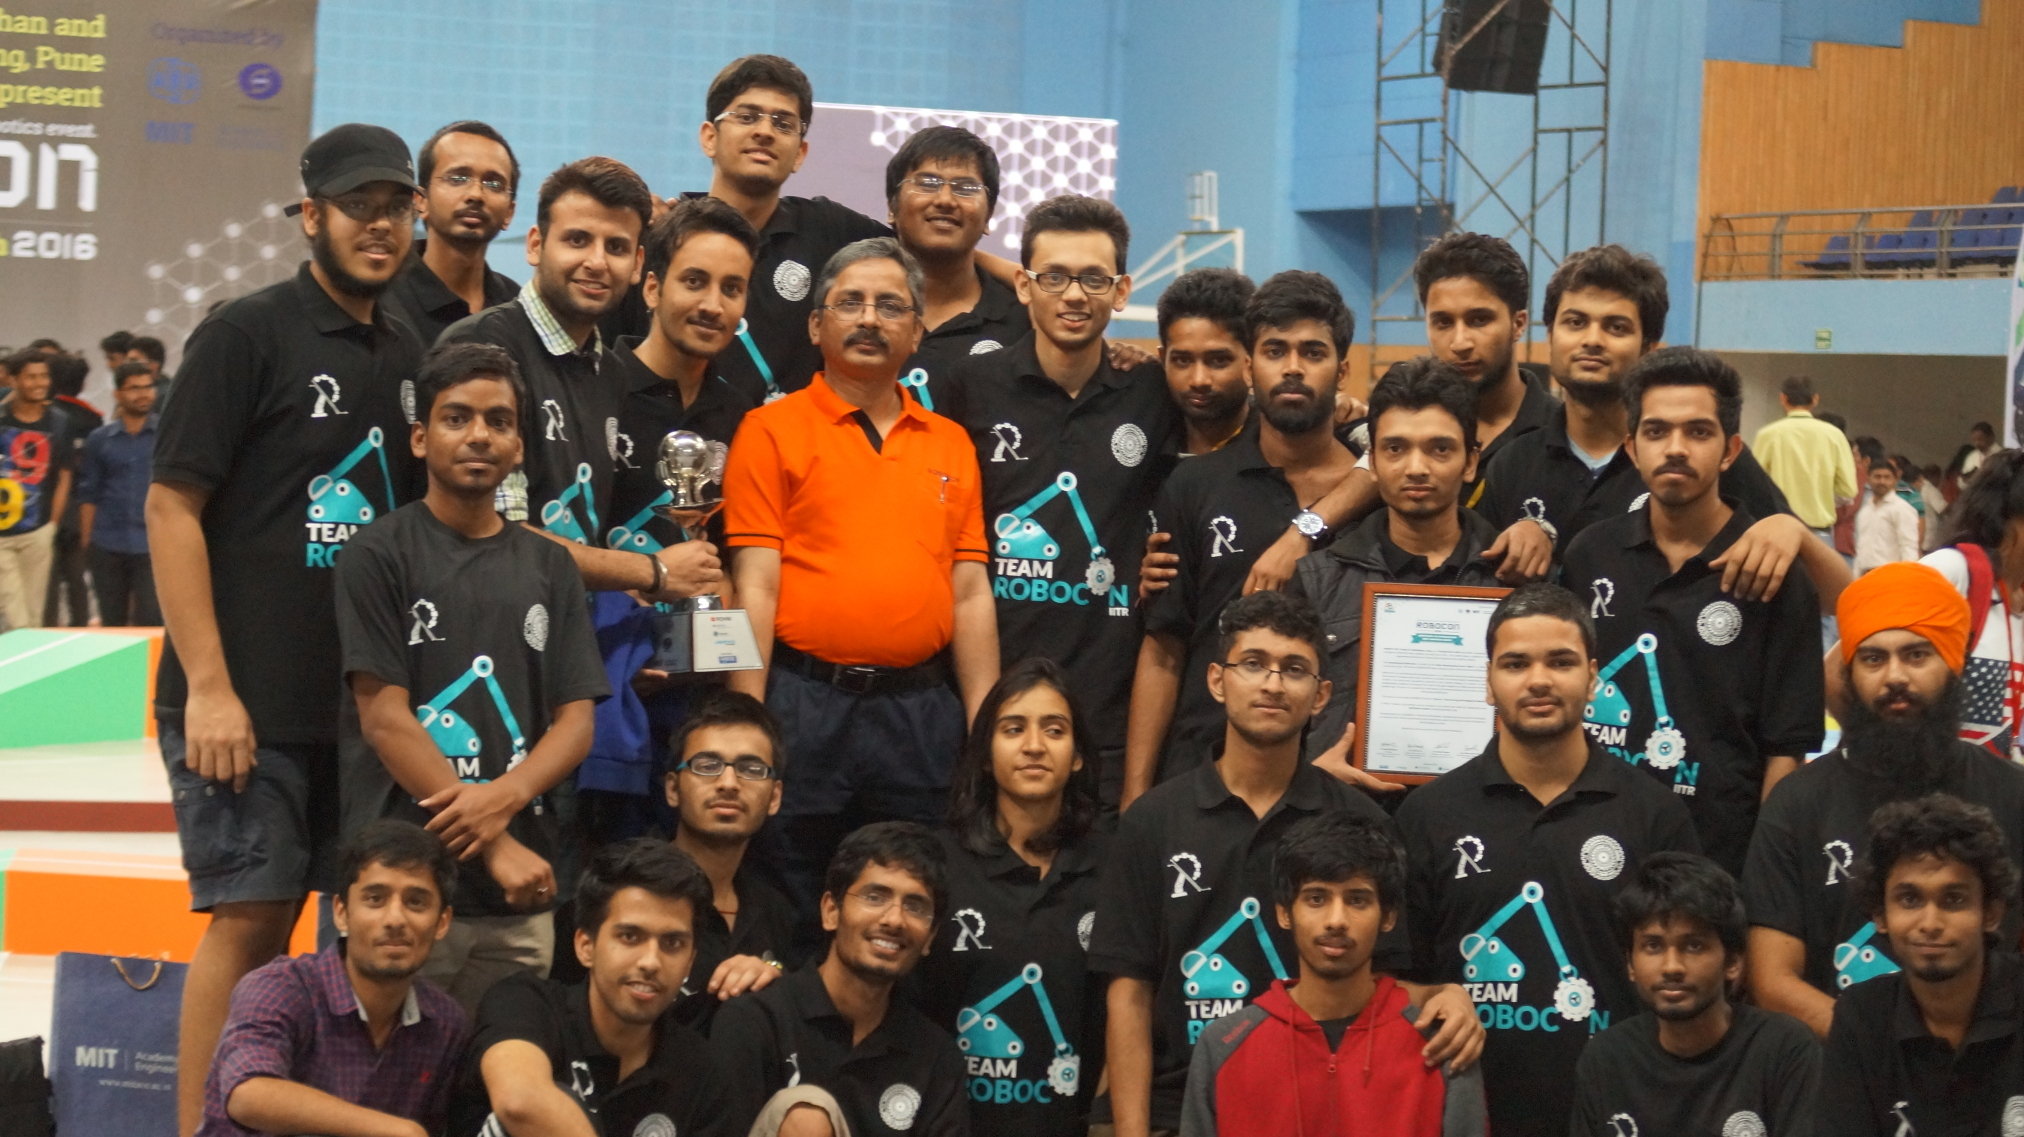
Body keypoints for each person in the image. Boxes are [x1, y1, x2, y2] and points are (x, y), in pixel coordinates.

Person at [147, 123, 425, 1136]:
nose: (379, 226)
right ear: (311, 216)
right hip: (242, 704)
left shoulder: (412, 351)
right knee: (252, 917)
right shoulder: (246, 333)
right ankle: (203, 1126)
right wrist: (210, 687)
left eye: (395, 208)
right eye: (357, 208)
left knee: (341, 936)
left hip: (353, 711)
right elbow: (172, 507)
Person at [1094, 591, 1482, 1137]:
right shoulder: (1152, 821)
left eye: (1294, 669)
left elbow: (1383, 982)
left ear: (1320, 695)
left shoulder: (1362, 820)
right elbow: (1129, 994)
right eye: (1253, 664)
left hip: (1320, 1103)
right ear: (1217, 680)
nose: (1273, 684)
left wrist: (1446, 994)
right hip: (1175, 1105)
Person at [722, 237, 999, 928]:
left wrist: (986, 724)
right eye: (851, 302)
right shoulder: (769, 430)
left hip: (919, 713)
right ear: (816, 325)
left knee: (911, 898)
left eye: (890, 305)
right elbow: (755, 587)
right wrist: (747, 724)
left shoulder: (950, 442)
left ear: (919, 331)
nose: (870, 318)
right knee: (786, 893)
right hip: (801, 702)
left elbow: (970, 593)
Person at [336, 342, 610, 1011]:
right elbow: (385, 719)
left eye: (499, 421)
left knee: (502, 1062)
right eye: (457, 418)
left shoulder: (551, 566)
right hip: (403, 881)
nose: (480, 435)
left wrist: (505, 798)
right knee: (386, 1057)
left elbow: (576, 721)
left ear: (519, 447)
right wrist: (495, 843)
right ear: (420, 438)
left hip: (520, 894)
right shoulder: (378, 553)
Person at [1394, 582, 1700, 1137]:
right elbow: (1388, 983)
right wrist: (1437, 995)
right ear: (1488, 682)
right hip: (1465, 1111)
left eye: (1561, 662)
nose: (1538, 680)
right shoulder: (1426, 815)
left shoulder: (1656, 815)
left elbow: (1690, 981)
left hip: (1621, 1111)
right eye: (1516, 664)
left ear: (1593, 677)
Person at [940, 195, 1174, 811]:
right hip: (987, 704)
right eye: (1055, 277)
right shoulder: (969, 386)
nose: (1074, 295)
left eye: (1094, 279)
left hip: (1107, 711)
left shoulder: (1153, 391)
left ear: (1121, 291)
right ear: (1025, 286)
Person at [1560, 347, 1824, 875]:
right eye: (1656, 432)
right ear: (1632, 448)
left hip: (1716, 860)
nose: (1675, 448)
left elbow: (1786, 751)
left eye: (1698, 432)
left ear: (1730, 451)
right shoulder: (1590, 554)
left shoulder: (1774, 574)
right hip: (1590, 844)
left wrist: (1765, 875)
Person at [1743, 561, 2024, 1037]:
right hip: (1839, 1062)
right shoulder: (1798, 803)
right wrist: (1880, 1050)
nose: (1895, 676)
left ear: (1953, 664)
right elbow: (1772, 982)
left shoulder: (2012, 794)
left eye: (1917, 655)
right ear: (1850, 674)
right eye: (1873, 659)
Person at [1122, 271, 1362, 804]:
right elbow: (1163, 650)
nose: (1293, 367)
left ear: (1343, 370)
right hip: (1202, 777)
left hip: (1335, 784)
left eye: (1313, 352)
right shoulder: (1192, 486)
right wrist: (1134, 800)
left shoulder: (1376, 493)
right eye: (1275, 351)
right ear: (1251, 367)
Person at [439, 157, 720, 606]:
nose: (596, 262)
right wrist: (652, 571)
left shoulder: (608, 372)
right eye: (577, 240)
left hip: (566, 632)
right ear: (535, 245)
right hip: (480, 628)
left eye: (616, 247)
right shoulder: (482, 347)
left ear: (637, 264)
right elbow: (490, 529)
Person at [588, 194, 763, 818]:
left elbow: (741, 559)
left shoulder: (744, 414)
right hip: (598, 688)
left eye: (732, 288)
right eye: (695, 281)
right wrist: (612, 661)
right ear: (652, 287)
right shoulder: (594, 390)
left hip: (700, 696)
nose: (713, 304)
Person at [1473, 245, 1802, 565]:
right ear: (1550, 335)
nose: (1592, 340)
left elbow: (1798, 560)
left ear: (1648, 348)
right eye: (1575, 322)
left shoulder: (1702, 458)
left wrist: (1789, 529)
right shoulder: (1512, 464)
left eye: (1616, 327)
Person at [1180, 810, 1488, 1137]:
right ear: (1284, 913)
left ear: (1388, 917)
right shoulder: (1223, 1045)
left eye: (1357, 900)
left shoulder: (1443, 1043)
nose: (1336, 920)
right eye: (1316, 898)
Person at [602, 54, 891, 402]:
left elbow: (927, 262)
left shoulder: (831, 232)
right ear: (709, 137)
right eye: (747, 116)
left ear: (800, 153)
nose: (764, 132)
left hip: (786, 437)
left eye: (783, 123)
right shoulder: (658, 235)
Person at [1286, 357, 1503, 782]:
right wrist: (1310, 777)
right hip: (1341, 809)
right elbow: (1278, 708)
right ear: (1373, 461)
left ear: (1471, 462)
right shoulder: (1317, 579)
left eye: (1440, 449)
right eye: (1395, 448)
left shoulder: (1514, 580)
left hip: (1481, 810)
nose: (1416, 468)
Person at [919, 658, 1109, 1137]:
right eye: (1013, 729)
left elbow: (1135, 1012)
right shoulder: (934, 865)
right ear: (985, 755)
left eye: (1055, 730)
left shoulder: (1115, 866)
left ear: (1078, 756)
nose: (1034, 746)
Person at [449, 838, 738, 1137]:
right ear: (585, 946)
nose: (651, 962)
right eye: (630, 937)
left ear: (690, 962)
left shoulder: (701, 1073)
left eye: (673, 943)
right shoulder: (525, 1003)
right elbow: (520, 1103)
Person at [196, 820, 465, 1137]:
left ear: (442, 922)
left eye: (416, 902)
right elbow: (248, 1093)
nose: (395, 919)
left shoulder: (445, 1022)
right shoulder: (280, 987)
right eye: (375, 899)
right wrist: (396, 1130)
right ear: (341, 912)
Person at [712, 821, 971, 1137]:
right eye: (875, 897)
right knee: (806, 1116)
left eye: (915, 907)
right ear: (831, 911)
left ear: (930, 937)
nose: (894, 920)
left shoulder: (936, 1056)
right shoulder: (757, 1021)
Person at [1568, 852, 1819, 1136]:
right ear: (1630, 964)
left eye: (1694, 946)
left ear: (1733, 962)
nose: (1672, 966)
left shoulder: (1785, 1050)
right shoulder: (1606, 1059)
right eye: (1653, 946)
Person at [1816, 794, 2024, 1135]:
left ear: (1991, 913)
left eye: (1953, 900)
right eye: (1909, 899)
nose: (1930, 923)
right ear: (1880, 915)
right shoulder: (1861, 1016)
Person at [656, 691, 799, 1030]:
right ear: (672, 789)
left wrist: (777, 981)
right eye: (708, 766)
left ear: (775, 797)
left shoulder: (777, 911)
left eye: (751, 769)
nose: (729, 783)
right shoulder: (621, 892)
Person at [887, 125, 1031, 394]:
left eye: (966, 188)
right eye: (927, 183)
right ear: (891, 207)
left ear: (989, 217)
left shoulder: (1026, 323)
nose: (945, 200)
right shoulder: (856, 306)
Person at [1916, 450, 2024, 758]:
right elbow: (1839, 675)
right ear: (2006, 520)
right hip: (1925, 783)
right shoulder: (1949, 572)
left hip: (1996, 783)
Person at [381, 120, 523, 345]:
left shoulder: (518, 308)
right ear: (421, 201)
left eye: (493, 184)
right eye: (457, 179)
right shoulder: (381, 296)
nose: (476, 194)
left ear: (509, 212)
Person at [77, 361, 160, 625]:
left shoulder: (167, 435)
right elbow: (89, 493)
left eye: (148, 387)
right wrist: (87, 544)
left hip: (154, 543)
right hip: (107, 543)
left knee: (152, 621)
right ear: (117, 394)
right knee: (112, 623)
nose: (143, 394)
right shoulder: (99, 439)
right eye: (134, 388)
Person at [0, 350, 74, 630]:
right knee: (14, 614)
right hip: (2, 534)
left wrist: (52, 524)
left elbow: (64, 475)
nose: (39, 383)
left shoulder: (59, 422)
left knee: (35, 615)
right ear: (14, 380)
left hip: (38, 530)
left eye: (43, 376)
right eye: (31, 377)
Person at [1155, 267, 1253, 457]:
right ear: (1162, 359)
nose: (1199, 380)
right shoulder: (1146, 443)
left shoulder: (1280, 448)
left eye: (1219, 360)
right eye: (1182, 360)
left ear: (1251, 360)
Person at [1752, 375, 1858, 544]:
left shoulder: (1768, 434)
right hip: (1819, 534)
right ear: (1815, 399)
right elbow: (1848, 490)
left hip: (1778, 531)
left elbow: (1754, 483)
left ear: (1782, 398)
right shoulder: (1834, 435)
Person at [42, 351, 97, 627]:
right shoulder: (93, 418)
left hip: (47, 506)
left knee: (47, 578)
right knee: (77, 578)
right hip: (79, 506)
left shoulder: (47, 416)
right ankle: (81, 629)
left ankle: (49, 628)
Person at [1854, 453, 1920, 573]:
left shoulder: (1902, 509)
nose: (1882, 481)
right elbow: (1860, 549)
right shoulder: (1865, 511)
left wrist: (1905, 577)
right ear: (1868, 478)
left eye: (1887, 477)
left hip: (1889, 575)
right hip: (1865, 575)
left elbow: (1909, 547)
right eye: (1877, 477)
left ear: (1895, 480)